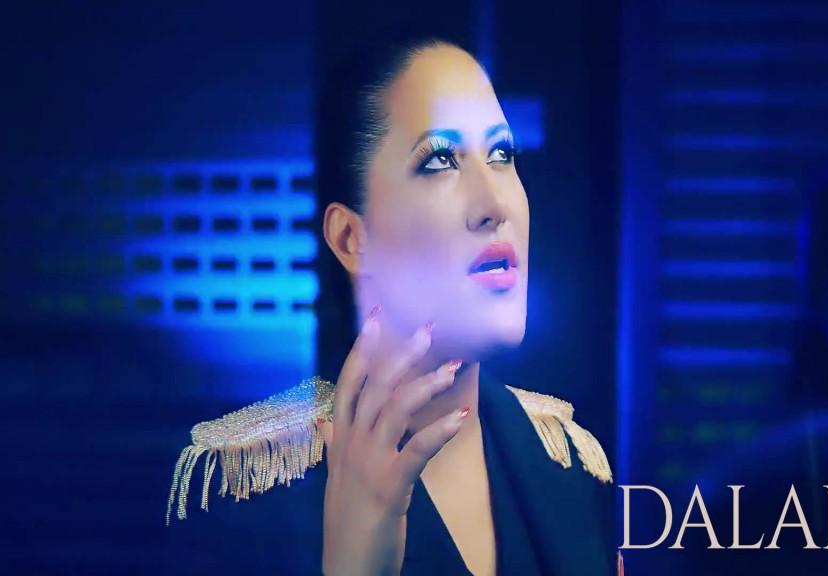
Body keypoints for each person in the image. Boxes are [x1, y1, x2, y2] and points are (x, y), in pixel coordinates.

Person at [166, 30, 619, 576]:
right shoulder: (245, 490)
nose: (494, 203)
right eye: (439, 161)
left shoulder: (571, 462)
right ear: (351, 239)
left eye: (502, 155)